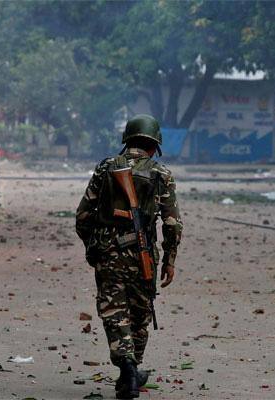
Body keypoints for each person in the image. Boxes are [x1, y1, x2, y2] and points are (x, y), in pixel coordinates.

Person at [75, 114, 183, 399]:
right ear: (153, 146)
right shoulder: (162, 174)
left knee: (114, 312)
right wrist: (170, 259)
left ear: (128, 140)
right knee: (139, 314)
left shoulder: (106, 168)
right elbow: (172, 224)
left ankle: (127, 368)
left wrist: (94, 248)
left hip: (109, 253)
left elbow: (83, 216)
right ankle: (131, 370)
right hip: (143, 253)